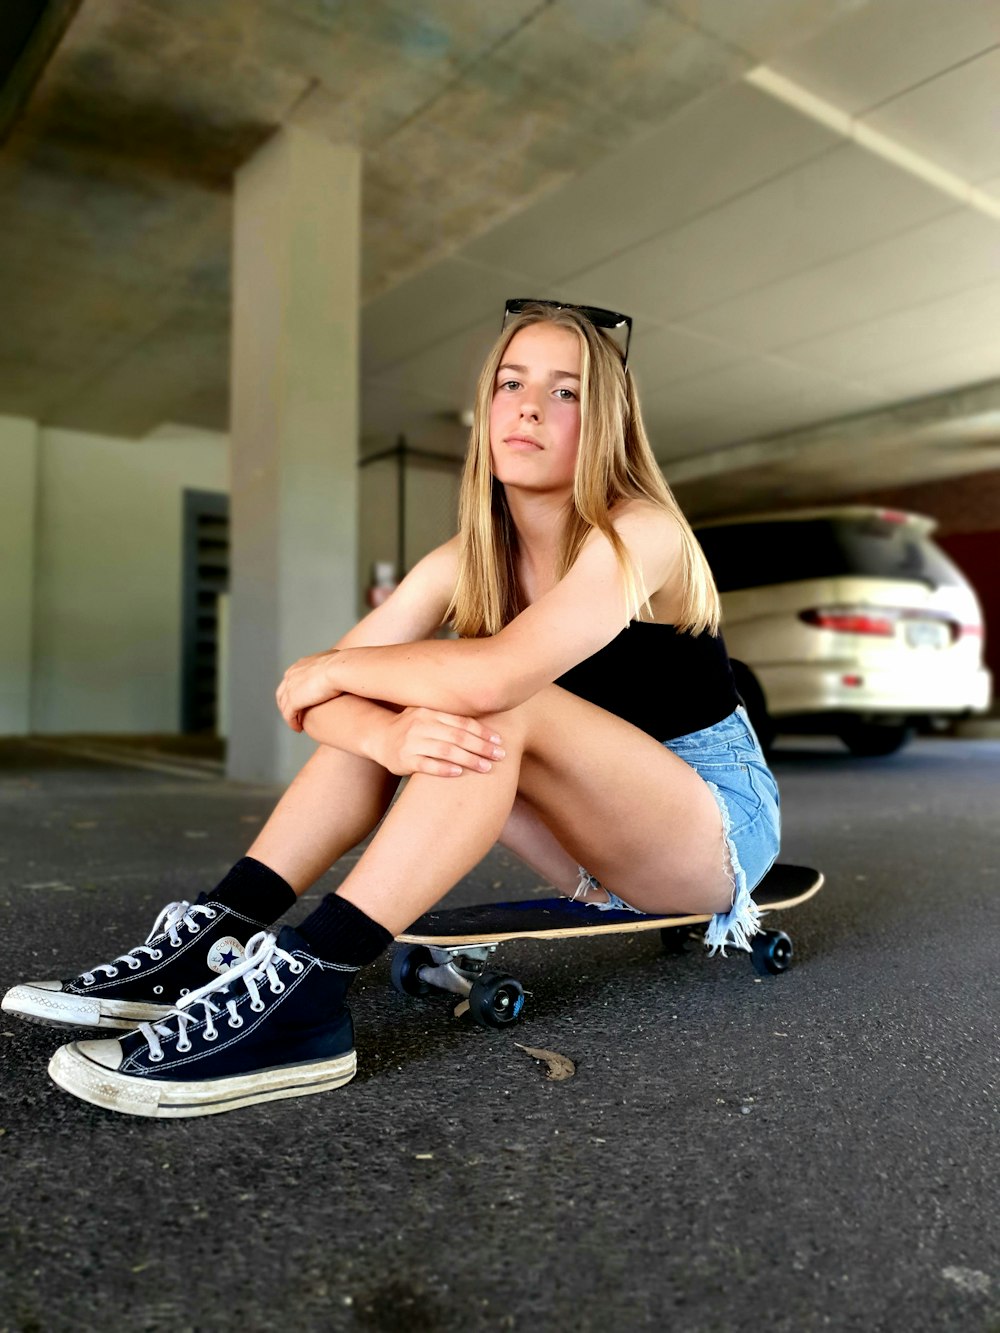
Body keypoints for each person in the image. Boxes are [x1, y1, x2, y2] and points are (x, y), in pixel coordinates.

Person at [3, 299, 780, 1118]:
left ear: (611, 423)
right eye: (512, 383)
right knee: (429, 715)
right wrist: (386, 728)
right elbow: (315, 701)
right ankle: (213, 937)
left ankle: (306, 998)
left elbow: (479, 679)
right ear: (485, 408)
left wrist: (336, 667)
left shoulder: (640, 530)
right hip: (592, 850)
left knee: (488, 703)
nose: (527, 406)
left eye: (566, 392)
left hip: (712, 829)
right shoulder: (468, 559)